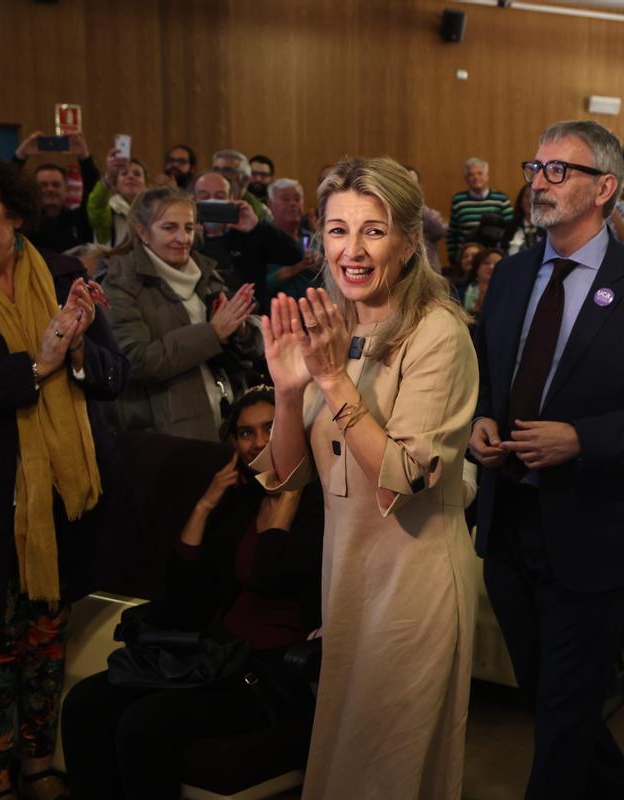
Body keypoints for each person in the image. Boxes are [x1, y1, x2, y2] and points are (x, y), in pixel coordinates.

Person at [470, 120, 624, 799]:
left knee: (565, 712)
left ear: (604, 187)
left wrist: (584, 439)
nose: (537, 182)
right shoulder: (512, 277)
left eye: (557, 171)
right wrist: (479, 421)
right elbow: (487, 378)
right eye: (535, 167)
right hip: (509, 521)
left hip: (592, 528)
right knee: (548, 693)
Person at [257, 156, 478, 797]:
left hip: (414, 581)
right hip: (348, 575)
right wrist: (288, 389)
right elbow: (289, 480)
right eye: (336, 230)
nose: (351, 251)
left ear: (410, 242)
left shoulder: (437, 334)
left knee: (390, 771)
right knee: (344, 765)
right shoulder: (336, 323)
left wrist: (330, 379)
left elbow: (403, 475)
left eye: (373, 231)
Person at [0, 150, 129, 800]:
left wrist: (73, 350)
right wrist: (33, 369)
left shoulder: (66, 273)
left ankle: (41, 765)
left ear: (15, 214)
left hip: (59, 500)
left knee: (47, 637)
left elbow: (112, 374)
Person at [60, 386, 323, 800]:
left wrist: (287, 496)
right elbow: (185, 593)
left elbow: (269, 576)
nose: (258, 442)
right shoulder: (243, 499)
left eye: (272, 428)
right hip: (219, 656)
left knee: (144, 725)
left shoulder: (316, 503)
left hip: (273, 671)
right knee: (84, 702)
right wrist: (205, 505)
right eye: (246, 433)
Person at [104, 185, 262, 441]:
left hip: (227, 423)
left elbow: (251, 343)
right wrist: (213, 332)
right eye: (169, 228)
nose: (182, 238)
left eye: (188, 228)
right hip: (168, 437)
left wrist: (241, 330)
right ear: (142, 232)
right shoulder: (119, 282)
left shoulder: (204, 270)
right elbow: (135, 360)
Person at [191, 170, 304, 308]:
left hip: (252, 317)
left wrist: (256, 226)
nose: (213, 201)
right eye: (205, 196)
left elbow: (294, 255)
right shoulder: (188, 240)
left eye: (220, 197)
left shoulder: (249, 234)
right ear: (194, 200)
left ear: (232, 198)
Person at [12, 132, 99, 254]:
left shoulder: (80, 219)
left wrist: (84, 157)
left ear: (66, 190)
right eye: (43, 185)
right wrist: (20, 156)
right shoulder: (23, 222)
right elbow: (6, 188)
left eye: (56, 185)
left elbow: (93, 192)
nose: (50, 189)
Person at [446, 157, 513, 263]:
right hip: (467, 260)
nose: (475, 177)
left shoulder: (501, 199)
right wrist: (454, 257)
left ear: (487, 176)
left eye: (479, 173)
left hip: (494, 258)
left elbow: (511, 229)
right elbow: (452, 233)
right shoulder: (458, 200)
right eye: (471, 175)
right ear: (466, 178)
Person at [265, 178, 321, 300]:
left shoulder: (312, 239)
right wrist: (294, 269)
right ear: (270, 205)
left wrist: (321, 263)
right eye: (285, 199)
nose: (293, 204)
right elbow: (258, 287)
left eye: (297, 199)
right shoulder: (262, 240)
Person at [86, 148, 147, 246]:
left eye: (137, 174)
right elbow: (96, 207)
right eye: (124, 173)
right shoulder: (109, 212)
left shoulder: (154, 214)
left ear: (146, 185)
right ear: (115, 185)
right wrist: (108, 177)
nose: (131, 176)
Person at [212, 149, 273, 224]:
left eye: (227, 170)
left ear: (245, 178)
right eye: (216, 169)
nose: (220, 175)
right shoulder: (203, 203)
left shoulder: (262, 211)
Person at [406, 166, 448, 272]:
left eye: (414, 183)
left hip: (428, 270)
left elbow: (440, 230)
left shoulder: (426, 212)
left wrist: (419, 206)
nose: (411, 187)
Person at [502, 183, 544, 256]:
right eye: (527, 196)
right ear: (520, 202)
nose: (530, 201)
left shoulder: (550, 227)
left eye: (534, 197)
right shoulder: (511, 227)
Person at [463, 246, 502, 314]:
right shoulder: (460, 293)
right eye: (486, 263)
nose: (491, 267)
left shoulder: (507, 296)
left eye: (497, 264)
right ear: (477, 266)